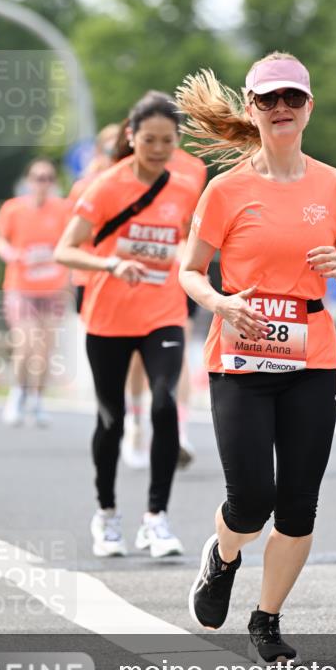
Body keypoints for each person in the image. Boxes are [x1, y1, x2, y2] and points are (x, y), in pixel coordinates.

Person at [177, 52, 336, 662]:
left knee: (299, 501)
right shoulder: (226, 189)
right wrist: (221, 303)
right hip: (240, 354)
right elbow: (188, 272)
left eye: (292, 99)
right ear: (252, 108)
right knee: (251, 496)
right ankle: (223, 555)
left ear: (309, 107)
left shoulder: (334, 185)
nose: (281, 109)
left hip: (312, 355)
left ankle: (266, 617)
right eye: (268, 100)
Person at [54, 91, 199, 559]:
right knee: (111, 419)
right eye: (149, 139)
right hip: (109, 316)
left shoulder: (182, 188)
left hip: (163, 313)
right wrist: (110, 266)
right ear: (131, 136)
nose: (158, 149)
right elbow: (66, 250)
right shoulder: (107, 186)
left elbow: (190, 244)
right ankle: (107, 514)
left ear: (176, 142)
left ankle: (156, 519)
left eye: (167, 141)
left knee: (163, 404)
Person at [115, 118, 208, 470]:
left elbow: (194, 223)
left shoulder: (193, 169)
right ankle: (136, 420)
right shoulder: (126, 166)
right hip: (136, 271)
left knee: (178, 348)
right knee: (138, 355)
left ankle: (179, 432)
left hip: (176, 270)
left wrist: (189, 253)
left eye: (167, 135)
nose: (159, 145)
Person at [0, 158, 71, 426]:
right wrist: (10, 253)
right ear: (28, 181)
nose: (43, 183)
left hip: (52, 290)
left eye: (48, 178)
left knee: (45, 349)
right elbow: (0, 241)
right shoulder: (12, 209)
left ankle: (37, 400)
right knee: (25, 344)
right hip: (21, 288)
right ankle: (17, 394)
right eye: (38, 178)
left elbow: (71, 242)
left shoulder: (62, 210)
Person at [67, 124, 120, 314]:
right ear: (99, 152)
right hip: (89, 274)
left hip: (124, 276)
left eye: (121, 151)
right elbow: (73, 235)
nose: (116, 157)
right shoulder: (84, 187)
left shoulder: (138, 186)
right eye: (111, 151)